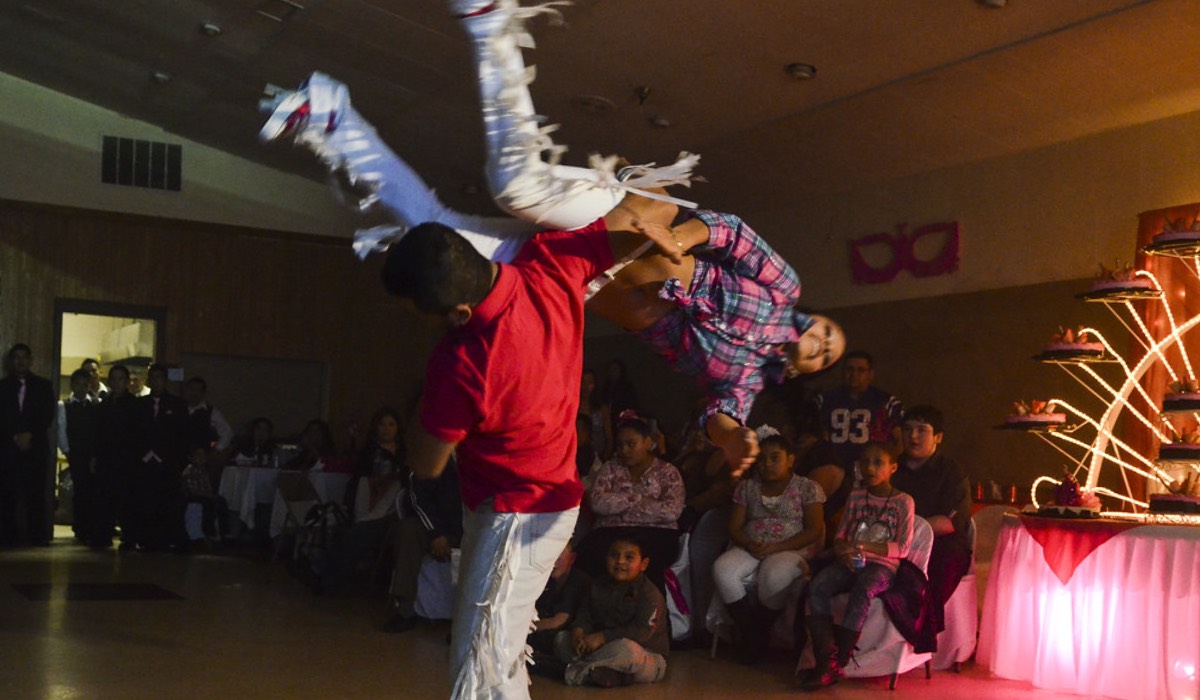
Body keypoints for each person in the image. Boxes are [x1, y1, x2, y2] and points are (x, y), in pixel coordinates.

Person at [258, 2, 845, 474]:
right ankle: (492, 26)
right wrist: (676, 237)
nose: (819, 343)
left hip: (580, 279)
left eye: (824, 356)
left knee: (434, 236)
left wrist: (730, 437)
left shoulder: (743, 380)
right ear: (817, 318)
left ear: (805, 371)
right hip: (632, 227)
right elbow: (732, 232)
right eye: (828, 333)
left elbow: (718, 415)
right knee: (516, 184)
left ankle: (333, 119)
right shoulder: (783, 290)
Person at [381, 213, 621, 698]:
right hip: (538, 502)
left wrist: (423, 388)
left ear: (460, 313)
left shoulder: (462, 361)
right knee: (497, 656)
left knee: (480, 666)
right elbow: (637, 212)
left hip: (516, 517)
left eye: (418, 315)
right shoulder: (547, 263)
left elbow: (425, 463)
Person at [800, 441, 914, 691]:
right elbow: (841, 536)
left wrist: (864, 546)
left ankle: (838, 660)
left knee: (864, 588)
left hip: (882, 566)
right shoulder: (856, 496)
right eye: (865, 462)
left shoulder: (903, 502)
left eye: (878, 462)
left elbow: (902, 548)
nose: (870, 468)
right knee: (818, 585)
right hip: (851, 561)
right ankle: (826, 660)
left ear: (893, 467)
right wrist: (842, 550)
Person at [712, 428, 825, 664]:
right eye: (762, 459)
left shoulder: (807, 487)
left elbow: (814, 530)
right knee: (722, 569)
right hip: (752, 545)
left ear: (790, 460)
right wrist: (749, 543)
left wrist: (777, 547)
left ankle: (755, 635)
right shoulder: (747, 487)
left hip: (792, 548)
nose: (767, 464)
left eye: (775, 458)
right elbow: (734, 527)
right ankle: (754, 634)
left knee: (773, 575)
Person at [577, 411, 684, 591]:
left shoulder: (667, 471)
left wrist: (619, 503)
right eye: (620, 445)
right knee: (588, 554)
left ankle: (650, 612)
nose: (624, 450)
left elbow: (672, 511)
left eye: (631, 444)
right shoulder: (610, 468)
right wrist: (638, 499)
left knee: (648, 560)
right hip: (611, 530)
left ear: (649, 443)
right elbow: (598, 503)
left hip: (656, 532)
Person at [888, 405, 972, 636]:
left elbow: (951, 522)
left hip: (939, 542)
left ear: (938, 437)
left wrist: (911, 531)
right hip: (892, 540)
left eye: (921, 430)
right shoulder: (890, 468)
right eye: (908, 429)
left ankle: (922, 628)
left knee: (947, 557)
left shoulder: (951, 472)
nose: (913, 436)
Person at [555, 536, 669, 688]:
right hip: (601, 648)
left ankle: (569, 672)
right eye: (614, 555)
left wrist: (603, 637)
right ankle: (607, 674)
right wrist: (578, 632)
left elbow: (642, 632)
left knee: (627, 651)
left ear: (643, 564)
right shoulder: (598, 585)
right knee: (561, 639)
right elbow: (585, 614)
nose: (620, 561)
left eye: (629, 557)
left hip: (644, 655)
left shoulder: (649, 594)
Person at [382, 461, 463, 633]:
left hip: (468, 526)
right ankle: (404, 609)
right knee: (408, 530)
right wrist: (435, 533)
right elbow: (418, 500)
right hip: (432, 525)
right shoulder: (432, 459)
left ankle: (473, 618)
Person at [0, 343, 56, 546]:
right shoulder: (2, 387)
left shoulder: (43, 386)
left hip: (35, 448)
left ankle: (38, 537)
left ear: (30, 360)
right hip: (7, 448)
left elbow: (47, 414)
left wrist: (29, 434)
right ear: (10, 361)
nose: (20, 361)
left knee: (35, 494)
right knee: (7, 495)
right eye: (16, 357)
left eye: (24, 357)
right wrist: (15, 436)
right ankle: (8, 537)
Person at [812, 350, 904, 470]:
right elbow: (813, 438)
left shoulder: (886, 402)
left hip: (872, 468)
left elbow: (900, 441)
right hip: (833, 467)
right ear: (842, 372)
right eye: (849, 369)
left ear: (871, 374)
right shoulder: (825, 400)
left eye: (861, 370)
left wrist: (885, 464)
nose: (854, 374)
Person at [528, 539, 591, 677]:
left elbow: (558, 620)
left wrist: (522, 629)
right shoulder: (545, 579)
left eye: (558, 556)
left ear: (572, 558)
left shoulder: (577, 580)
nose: (553, 562)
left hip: (571, 634)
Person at [93, 365, 139, 549]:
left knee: (127, 500)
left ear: (127, 382)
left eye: (121, 379)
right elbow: (97, 433)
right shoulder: (104, 404)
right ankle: (102, 535)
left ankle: (128, 538)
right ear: (110, 381)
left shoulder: (134, 405)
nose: (117, 383)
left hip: (126, 459)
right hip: (106, 458)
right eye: (114, 379)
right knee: (104, 498)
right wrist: (95, 457)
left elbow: (138, 436)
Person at [56, 368, 100, 543]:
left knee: (93, 491)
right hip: (75, 453)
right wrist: (67, 452)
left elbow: (99, 432)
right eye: (78, 385)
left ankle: (91, 526)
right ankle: (81, 527)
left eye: (85, 385)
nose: (82, 388)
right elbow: (61, 430)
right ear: (72, 385)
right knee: (80, 491)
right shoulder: (64, 405)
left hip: (94, 454)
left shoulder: (96, 404)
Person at [182, 376, 234, 456]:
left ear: (203, 393)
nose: (194, 393)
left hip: (202, 458)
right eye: (192, 389)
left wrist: (216, 450)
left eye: (198, 390)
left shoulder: (212, 413)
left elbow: (227, 433)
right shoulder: (177, 408)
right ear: (186, 390)